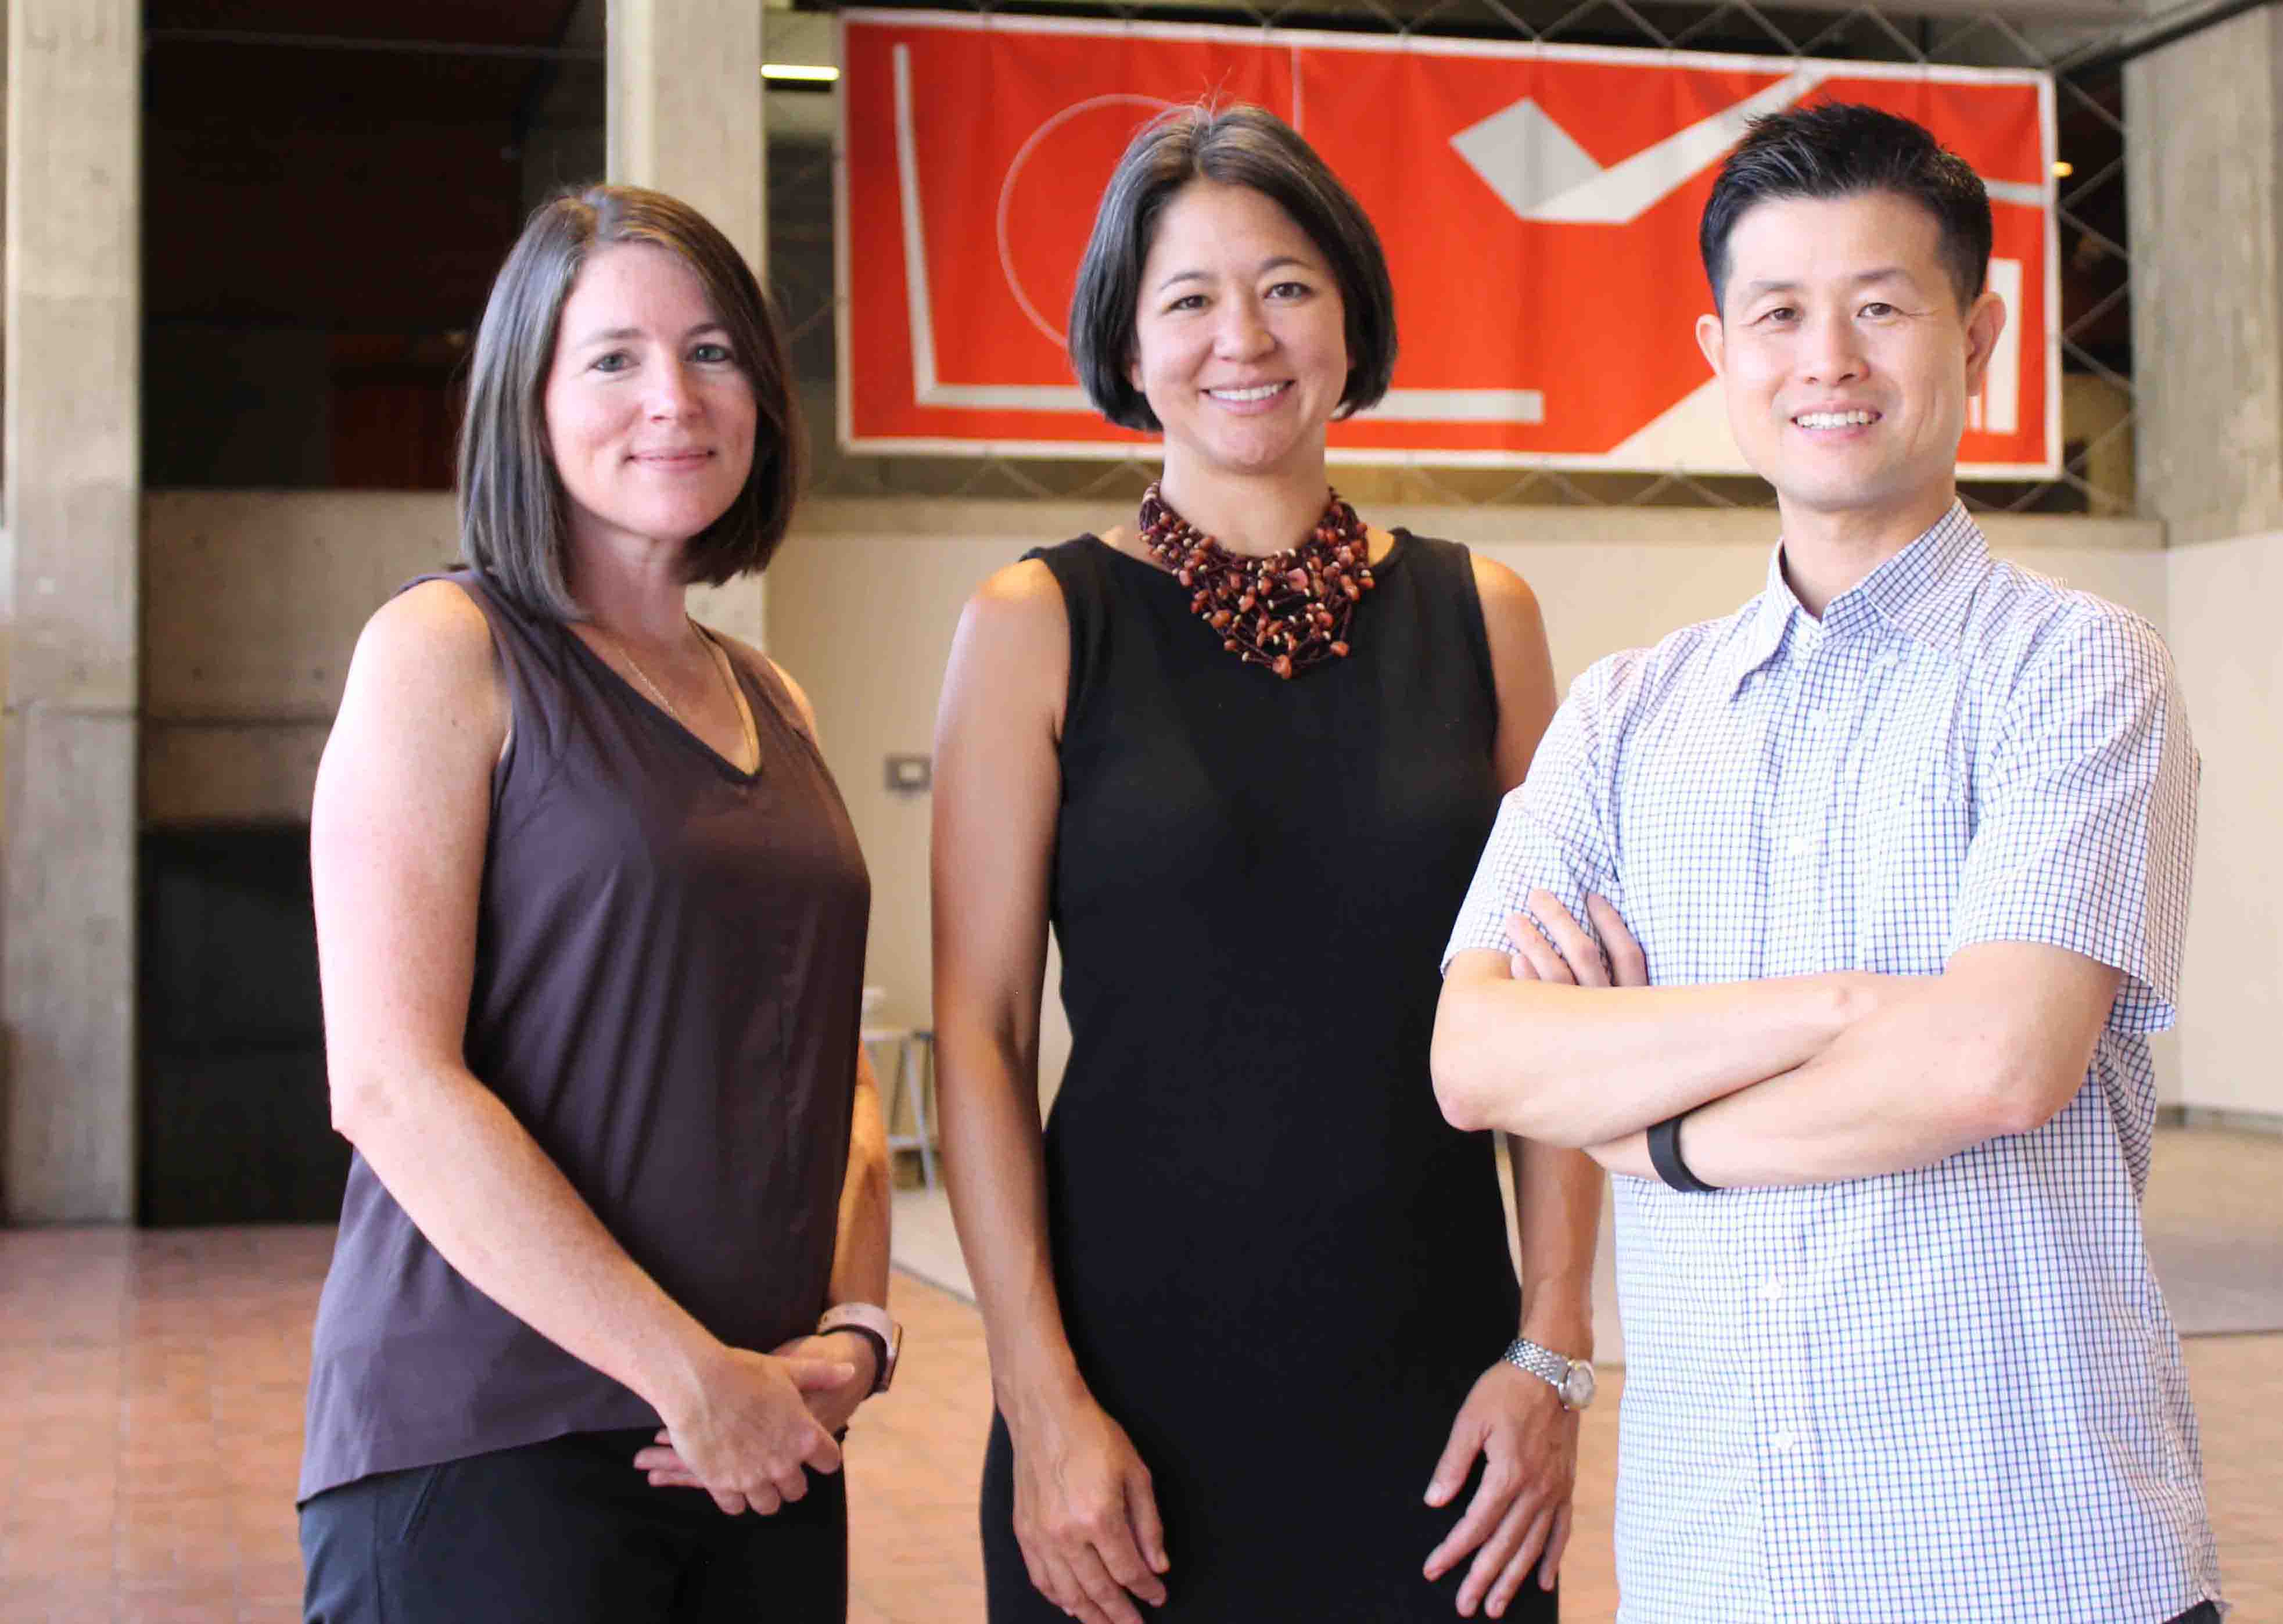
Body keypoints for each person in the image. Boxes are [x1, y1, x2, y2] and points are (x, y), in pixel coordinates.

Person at [1432, 103, 2225, 1623]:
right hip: (1722, 1563)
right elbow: (1477, 1056)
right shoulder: (1621, 717)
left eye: (1880, 307)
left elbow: (1998, 1062)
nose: (1828, 359)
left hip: (2033, 1553)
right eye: (1780, 314)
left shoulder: (2075, 675)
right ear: (1718, 346)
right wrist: (1861, 1013)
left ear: (1977, 336)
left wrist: (1656, 1127)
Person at [930, 103, 1606, 1624]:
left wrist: (1551, 1349)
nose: (1244, 333)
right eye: (1189, 296)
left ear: (1352, 319)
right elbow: (976, 1034)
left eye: (1289, 284)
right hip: (1123, 1406)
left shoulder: (1481, 615)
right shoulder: (1037, 624)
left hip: (1442, 1411)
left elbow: (1557, 1023)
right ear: (1127, 339)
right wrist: (1039, 1399)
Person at [297, 184, 900, 1624]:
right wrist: (687, 1373)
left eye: (712, 353)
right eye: (614, 358)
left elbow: (833, 1061)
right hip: (496, 1439)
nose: (673, 399)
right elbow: (389, 1084)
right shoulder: (447, 652)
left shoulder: (775, 698)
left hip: (757, 1444)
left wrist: (857, 1326)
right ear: (531, 397)